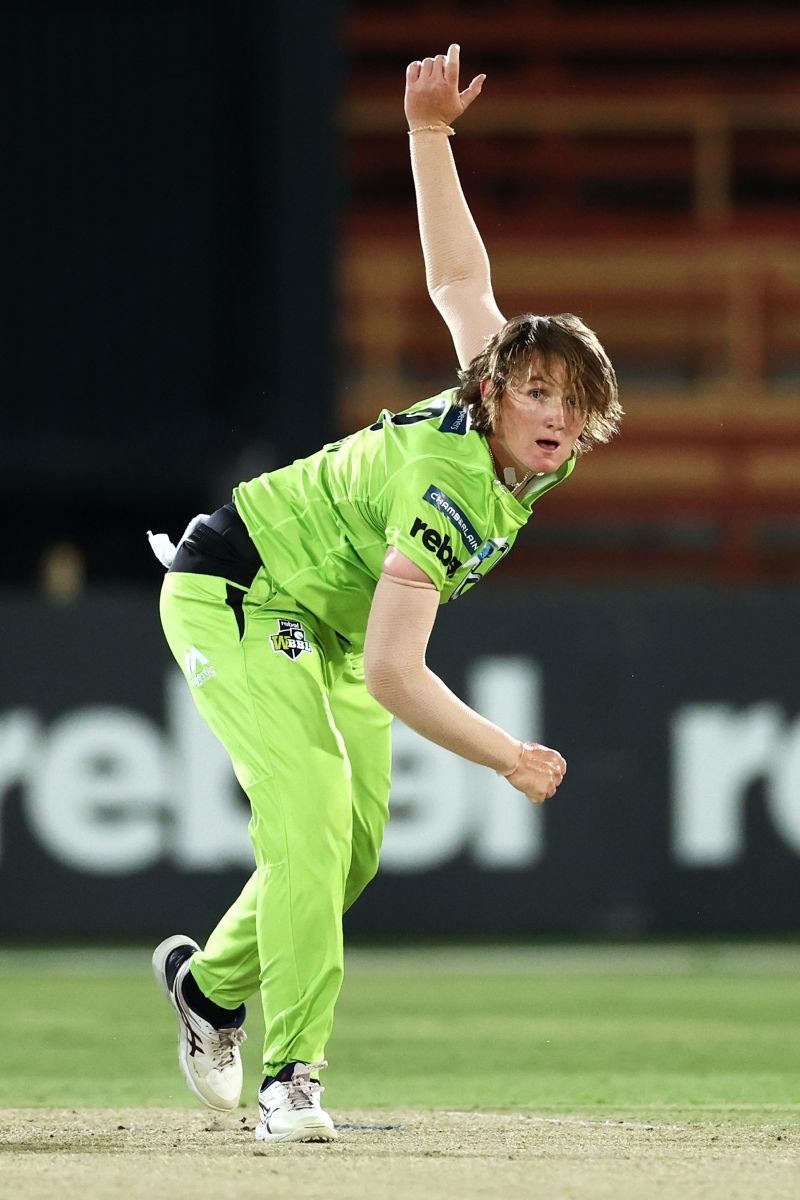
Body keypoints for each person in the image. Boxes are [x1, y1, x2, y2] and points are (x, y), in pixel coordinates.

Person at [149, 44, 622, 1145]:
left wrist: (427, 135)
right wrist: (505, 754)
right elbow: (393, 671)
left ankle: (208, 991)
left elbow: (461, 285)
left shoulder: (518, 434)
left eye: (572, 398)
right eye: (537, 389)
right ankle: (290, 1077)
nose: (553, 413)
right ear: (495, 392)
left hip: (325, 612)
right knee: (310, 831)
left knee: (352, 849)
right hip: (238, 586)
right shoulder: (448, 483)